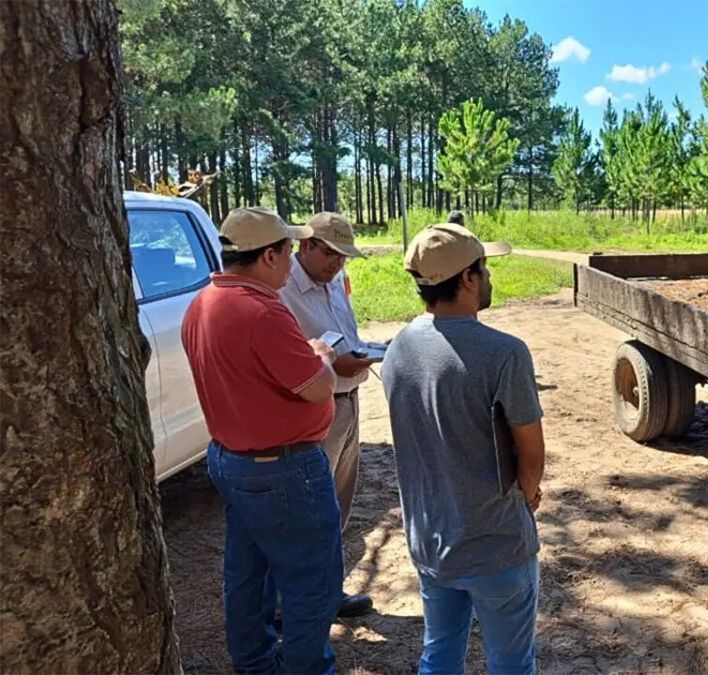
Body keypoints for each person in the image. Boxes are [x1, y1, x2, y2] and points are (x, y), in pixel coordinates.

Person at [181, 206, 343, 674]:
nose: (292, 263)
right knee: (311, 580)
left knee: (247, 574)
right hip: (284, 467)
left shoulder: (202, 303)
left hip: (231, 458)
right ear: (269, 256)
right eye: (289, 252)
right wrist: (322, 355)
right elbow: (317, 386)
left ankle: (255, 665)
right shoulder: (261, 310)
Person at [381, 223, 545, 674]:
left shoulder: (399, 348)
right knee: (512, 664)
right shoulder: (504, 353)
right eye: (485, 267)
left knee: (439, 655)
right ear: (469, 278)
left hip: (432, 541)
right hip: (495, 544)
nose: (489, 277)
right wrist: (527, 497)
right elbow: (531, 454)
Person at [278, 211, 376, 618]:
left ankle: (328, 592)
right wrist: (336, 367)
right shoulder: (281, 290)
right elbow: (288, 359)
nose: (337, 263)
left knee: (338, 503)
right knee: (306, 510)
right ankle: (290, 605)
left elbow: (343, 335)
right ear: (306, 245)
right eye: (331, 253)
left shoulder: (334, 283)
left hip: (349, 402)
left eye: (344, 256)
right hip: (314, 410)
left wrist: (361, 354)